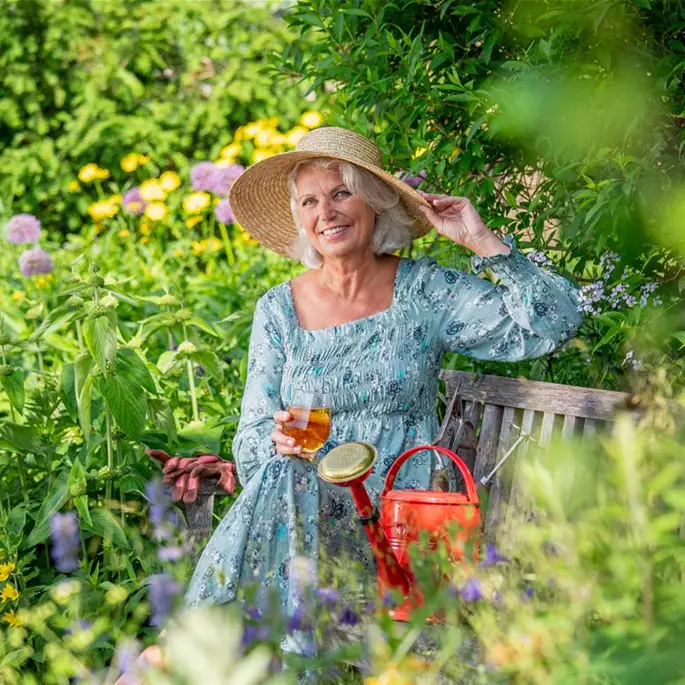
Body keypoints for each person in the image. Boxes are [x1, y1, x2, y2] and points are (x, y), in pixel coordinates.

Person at [116, 127, 582, 681]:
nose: (325, 213)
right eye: (309, 201)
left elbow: (555, 323)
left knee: (283, 487)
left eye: (341, 193)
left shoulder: (424, 293)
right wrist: (274, 438)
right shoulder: (278, 310)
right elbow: (249, 438)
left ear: (375, 202)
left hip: (395, 523)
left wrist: (480, 240)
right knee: (285, 475)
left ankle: (174, 656)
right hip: (300, 512)